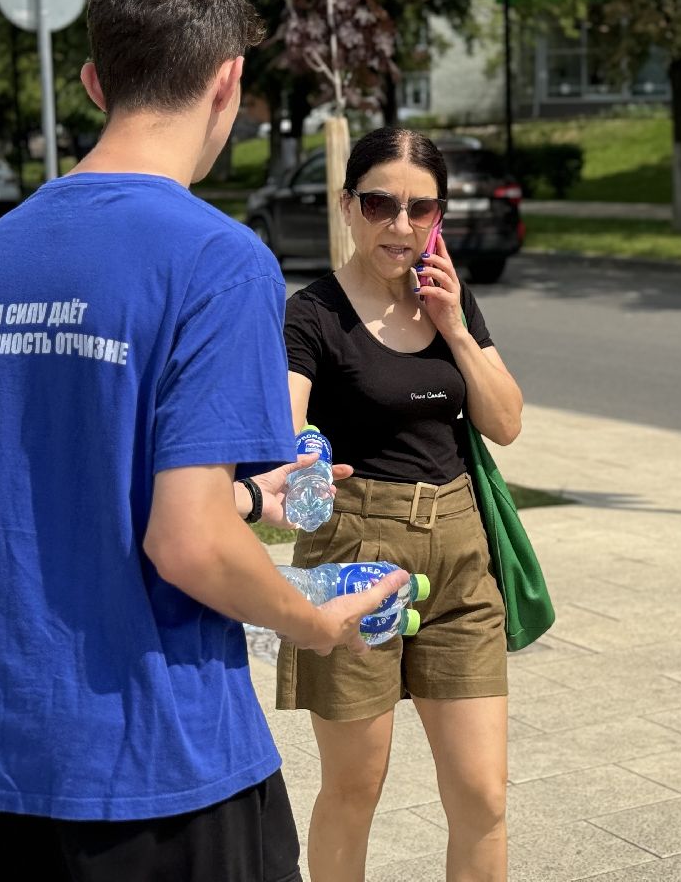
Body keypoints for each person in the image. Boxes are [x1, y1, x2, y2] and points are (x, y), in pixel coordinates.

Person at [0, 0, 407, 882]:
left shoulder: (6, 247)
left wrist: (250, 501)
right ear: (229, 82)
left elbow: (75, 468)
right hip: (154, 761)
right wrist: (312, 621)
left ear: (96, 80)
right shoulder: (220, 258)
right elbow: (185, 545)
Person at [275, 127, 524, 882]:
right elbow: (285, 439)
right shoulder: (311, 314)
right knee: (356, 787)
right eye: (381, 204)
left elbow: (505, 423)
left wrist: (453, 327)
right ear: (348, 206)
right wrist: (305, 472)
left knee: (482, 792)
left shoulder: (452, 298)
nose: (402, 226)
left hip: (458, 553)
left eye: (422, 209)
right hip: (355, 556)